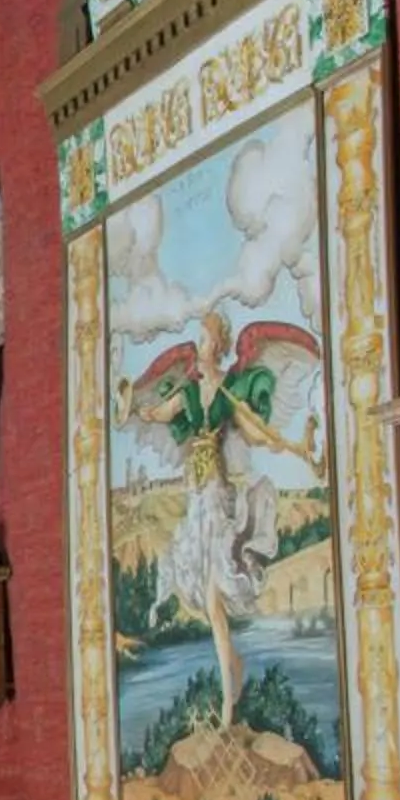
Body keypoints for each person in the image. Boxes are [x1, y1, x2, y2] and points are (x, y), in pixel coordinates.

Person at [124, 309, 318, 734]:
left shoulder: (232, 387)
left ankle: (229, 703)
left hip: (217, 500)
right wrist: (133, 408)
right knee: (205, 603)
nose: (201, 345)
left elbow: (253, 431)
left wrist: (284, 443)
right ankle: (232, 677)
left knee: (213, 604)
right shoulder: (191, 390)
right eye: (200, 338)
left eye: (207, 339)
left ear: (220, 344)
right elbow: (161, 412)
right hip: (197, 502)